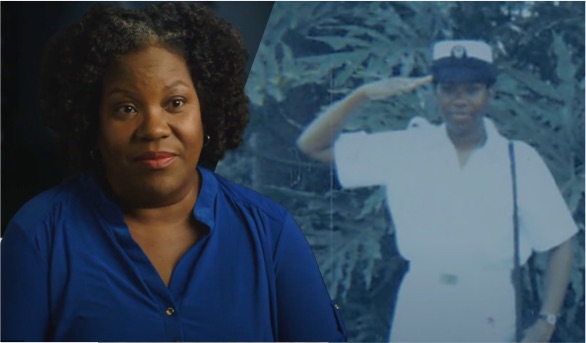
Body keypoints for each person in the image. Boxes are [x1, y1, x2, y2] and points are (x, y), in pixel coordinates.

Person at [1, 3, 346, 342]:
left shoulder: (270, 233)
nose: (154, 128)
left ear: (206, 112)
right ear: (93, 124)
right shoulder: (38, 237)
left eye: (175, 103)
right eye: (126, 108)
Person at [297, 40, 576, 342]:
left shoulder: (518, 159)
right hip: (421, 304)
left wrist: (546, 322)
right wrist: (362, 95)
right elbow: (312, 146)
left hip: (490, 307)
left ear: (490, 94)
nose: (460, 100)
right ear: (435, 94)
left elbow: (560, 240)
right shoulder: (407, 147)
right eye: (449, 89)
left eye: (472, 90)